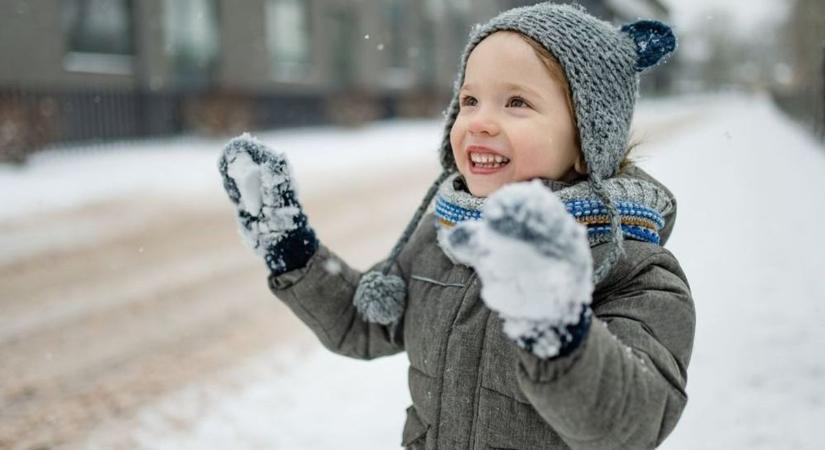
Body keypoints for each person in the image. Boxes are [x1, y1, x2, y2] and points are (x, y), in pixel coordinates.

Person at [217, 3, 695, 449]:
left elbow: (633, 420)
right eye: (469, 99)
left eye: (516, 103)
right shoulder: (443, 237)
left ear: (588, 139)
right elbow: (364, 321)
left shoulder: (632, 268)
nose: (480, 122)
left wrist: (555, 322)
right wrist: (290, 245)